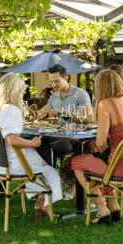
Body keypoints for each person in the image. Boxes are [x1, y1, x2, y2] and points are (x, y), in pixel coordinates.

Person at [0, 73, 63, 217]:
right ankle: (44, 205)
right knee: (49, 167)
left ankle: (41, 204)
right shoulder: (11, 110)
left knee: (43, 161)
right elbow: (12, 140)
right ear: (15, 92)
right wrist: (32, 143)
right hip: (14, 164)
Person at [71, 70, 123, 225]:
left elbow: (100, 143)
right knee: (99, 163)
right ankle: (113, 205)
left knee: (77, 162)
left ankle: (101, 207)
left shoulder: (106, 104)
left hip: (120, 168)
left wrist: (103, 150)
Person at [35, 64, 93, 199]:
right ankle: (49, 182)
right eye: (51, 81)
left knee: (46, 143)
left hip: (75, 138)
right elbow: (47, 108)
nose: (54, 84)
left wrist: (62, 112)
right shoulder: (54, 96)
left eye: (56, 81)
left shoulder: (80, 94)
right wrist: (42, 112)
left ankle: (59, 184)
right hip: (58, 136)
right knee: (39, 142)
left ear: (66, 77)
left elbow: (88, 117)